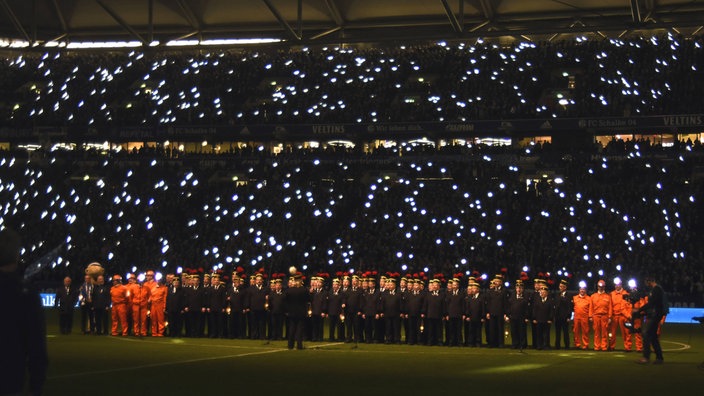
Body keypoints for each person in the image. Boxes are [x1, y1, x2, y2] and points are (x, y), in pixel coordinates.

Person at [0, 228, 48, 396]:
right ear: (16, 253)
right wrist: (36, 386)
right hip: (11, 376)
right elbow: (37, 346)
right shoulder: (26, 292)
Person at [636, 275, 666, 364]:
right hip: (655, 314)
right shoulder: (657, 289)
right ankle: (659, 357)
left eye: (646, 282)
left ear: (650, 281)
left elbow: (652, 303)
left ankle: (646, 357)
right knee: (653, 336)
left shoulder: (656, 290)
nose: (646, 284)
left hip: (654, 315)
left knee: (645, 333)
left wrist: (640, 310)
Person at [285, 272, 309, 350]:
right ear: (300, 280)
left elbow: (286, 301)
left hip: (292, 312)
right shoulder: (304, 290)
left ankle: (290, 345)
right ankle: (299, 345)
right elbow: (308, 299)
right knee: (299, 329)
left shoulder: (289, 291)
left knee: (291, 329)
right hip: (301, 312)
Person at [609, 278, 632, 351]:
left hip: (623, 316)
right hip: (614, 316)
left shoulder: (626, 293)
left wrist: (628, 315)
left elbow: (629, 305)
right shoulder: (611, 294)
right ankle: (611, 346)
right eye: (615, 284)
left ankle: (627, 347)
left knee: (626, 332)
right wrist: (610, 316)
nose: (616, 286)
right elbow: (610, 306)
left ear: (621, 284)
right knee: (612, 333)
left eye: (618, 284)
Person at [590, 279, 612, 351]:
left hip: (604, 316)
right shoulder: (593, 296)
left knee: (604, 332)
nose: (600, 288)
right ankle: (597, 346)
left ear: (604, 287)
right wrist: (590, 316)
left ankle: (604, 346)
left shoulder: (608, 296)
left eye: (602, 287)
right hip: (596, 316)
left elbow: (610, 307)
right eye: (599, 286)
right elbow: (591, 307)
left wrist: (609, 317)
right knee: (596, 332)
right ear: (597, 287)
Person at [553, 279, 573, 350]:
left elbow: (569, 307)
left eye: (562, 286)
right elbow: (555, 305)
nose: (560, 288)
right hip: (558, 316)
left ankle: (567, 345)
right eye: (560, 286)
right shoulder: (557, 295)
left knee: (565, 332)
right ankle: (557, 345)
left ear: (565, 287)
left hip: (565, 317)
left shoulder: (569, 295)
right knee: (557, 332)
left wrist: (569, 316)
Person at [572, 282, 592, 350]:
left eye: (583, 289)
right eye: (581, 289)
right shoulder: (575, 298)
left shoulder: (589, 299)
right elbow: (572, 308)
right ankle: (577, 344)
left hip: (584, 317)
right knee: (576, 331)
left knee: (585, 331)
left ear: (585, 290)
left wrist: (590, 316)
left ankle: (585, 345)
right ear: (579, 290)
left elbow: (590, 308)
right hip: (576, 317)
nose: (582, 290)